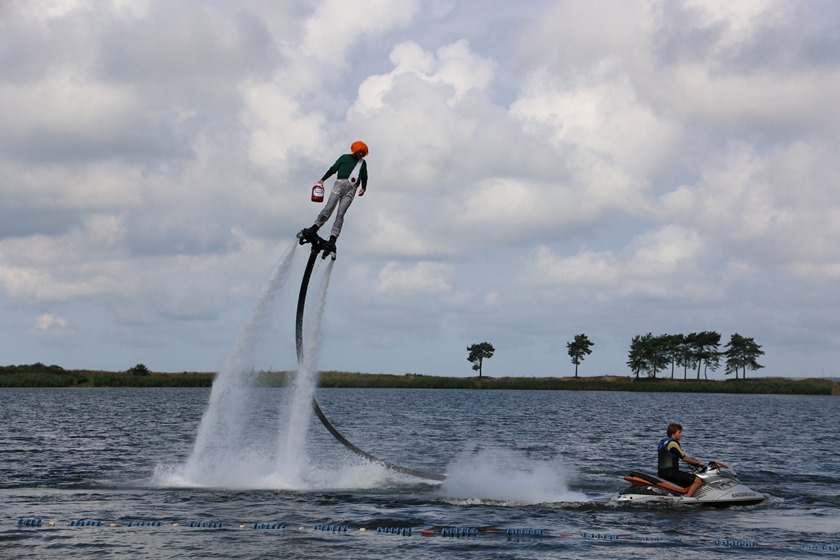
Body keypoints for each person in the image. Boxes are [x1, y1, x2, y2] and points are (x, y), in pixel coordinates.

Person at [301, 140, 369, 253]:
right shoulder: (344, 158)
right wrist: (322, 180)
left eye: (363, 153)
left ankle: (333, 238)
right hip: (339, 185)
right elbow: (333, 169)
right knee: (329, 207)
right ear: (355, 150)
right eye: (359, 152)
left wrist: (363, 188)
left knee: (341, 213)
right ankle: (315, 227)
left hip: (351, 189)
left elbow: (364, 176)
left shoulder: (363, 163)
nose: (360, 154)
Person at [657, 422, 706, 497]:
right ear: (673, 433)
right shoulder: (673, 443)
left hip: (661, 472)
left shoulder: (663, 442)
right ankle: (687, 499)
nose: (681, 434)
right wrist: (698, 463)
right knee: (698, 480)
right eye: (679, 432)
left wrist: (694, 462)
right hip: (670, 472)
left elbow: (679, 455)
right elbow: (684, 458)